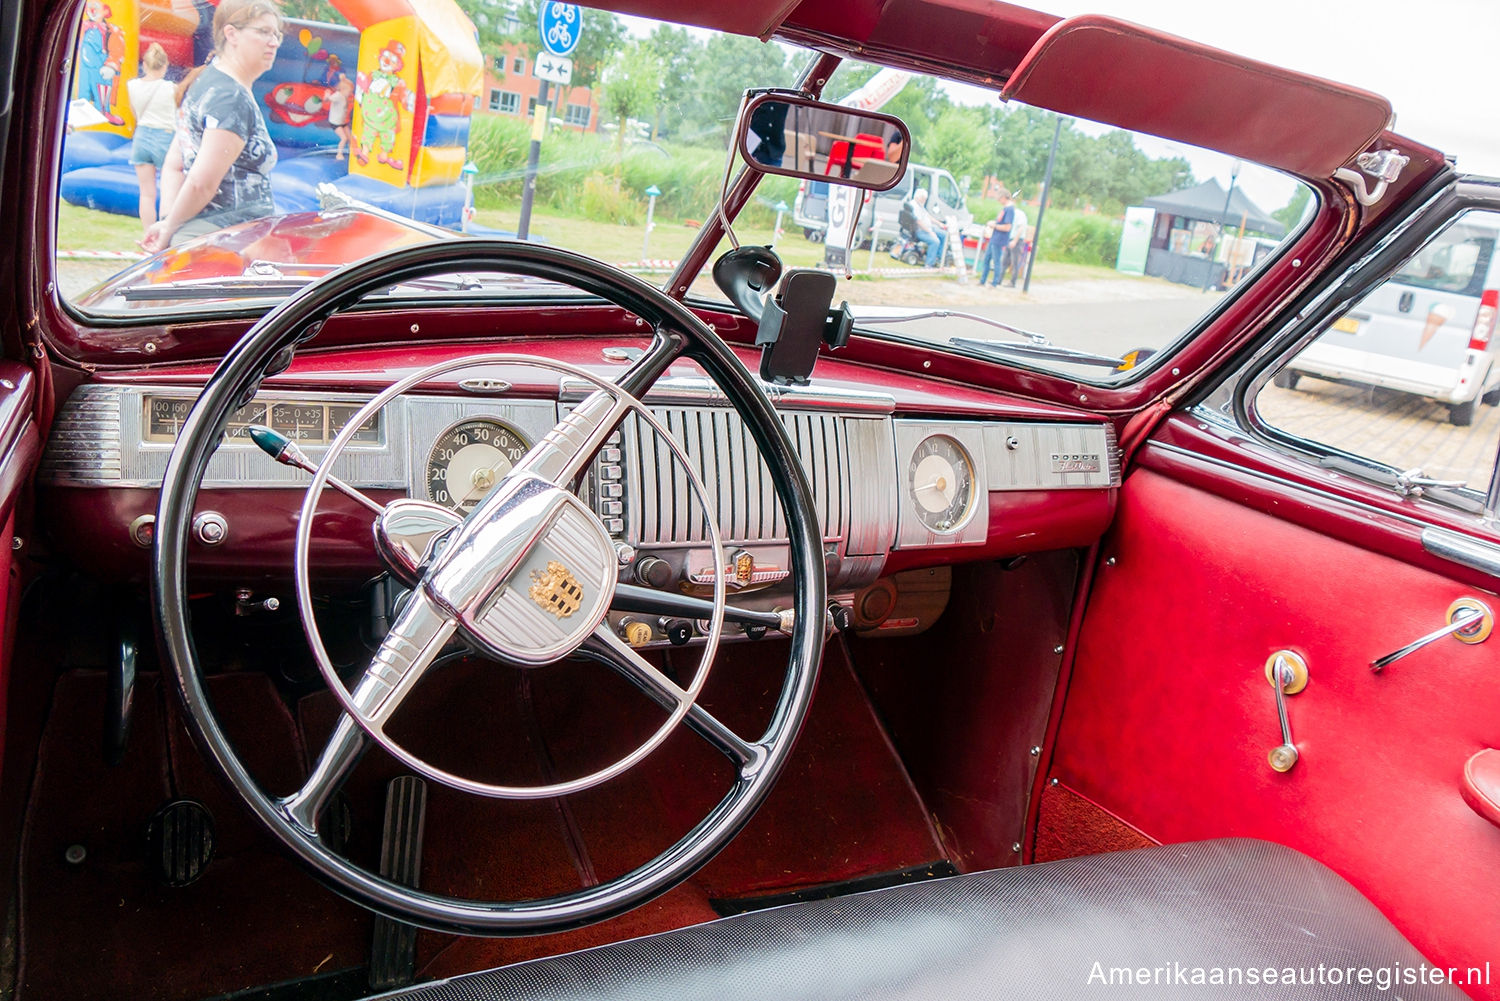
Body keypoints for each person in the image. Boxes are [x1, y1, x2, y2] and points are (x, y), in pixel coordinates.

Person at [141, 0, 281, 252]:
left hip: (216, 238)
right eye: (263, 32)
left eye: (276, 34)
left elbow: (175, 164)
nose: (274, 42)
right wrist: (170, 229)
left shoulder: (205, 83)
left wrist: (167, 223)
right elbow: (201, 183)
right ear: (231, 34)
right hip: (227, 244)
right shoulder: (230, 97)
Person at [126, 42, 177, 230]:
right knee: (169, 189)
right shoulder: (171, 88)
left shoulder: (132, 86)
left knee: (146, 193)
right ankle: (165, 231)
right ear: (165, 66)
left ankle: (148, 233)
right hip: (165, 136)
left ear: (145, 65)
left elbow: (134, 112)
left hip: (142, 136)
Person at [978, 192, 1014, 286]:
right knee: (986, 259)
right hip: (994, 237)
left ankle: (995, 282)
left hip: (999, 239)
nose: (998, 201)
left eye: (999, 199)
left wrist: (994, 225)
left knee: (996, 261)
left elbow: (1007, 227)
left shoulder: (1010, 210)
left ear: (1004, 197)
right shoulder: (1005, 209)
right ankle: (983, 280)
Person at [910, 188, 946, 268]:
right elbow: (919, 222)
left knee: (944, 235)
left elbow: (927, 216)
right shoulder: (914, 206)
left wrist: (939, 223)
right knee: (935, 241)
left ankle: (938, 257)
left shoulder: (920, 205)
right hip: (921, 230)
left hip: (928, 228)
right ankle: (929, 264)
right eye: (924, 199)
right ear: (919, 197)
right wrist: (930, 232)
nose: (925, 201)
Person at [1001, 201, 1030, 287]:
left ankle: (1013, 282)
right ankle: (999, 279)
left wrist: (1015, 240)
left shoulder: (1019, 214)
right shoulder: (1010, 214)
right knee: (1004, 261)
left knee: (1015, 262)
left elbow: (1021, 228)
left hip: (1017, 240)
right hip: (1009, 239)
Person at [327, 73, 354, 159]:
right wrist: (327, 96)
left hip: (342, 121)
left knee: (350, 138)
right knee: (344, 138)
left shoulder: (344, 96)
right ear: (343, 90)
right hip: (335, 123)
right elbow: (329, 99)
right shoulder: (338, 95)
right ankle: (339, 154)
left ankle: (353, 153)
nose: (350, 94)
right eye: (349, 92)